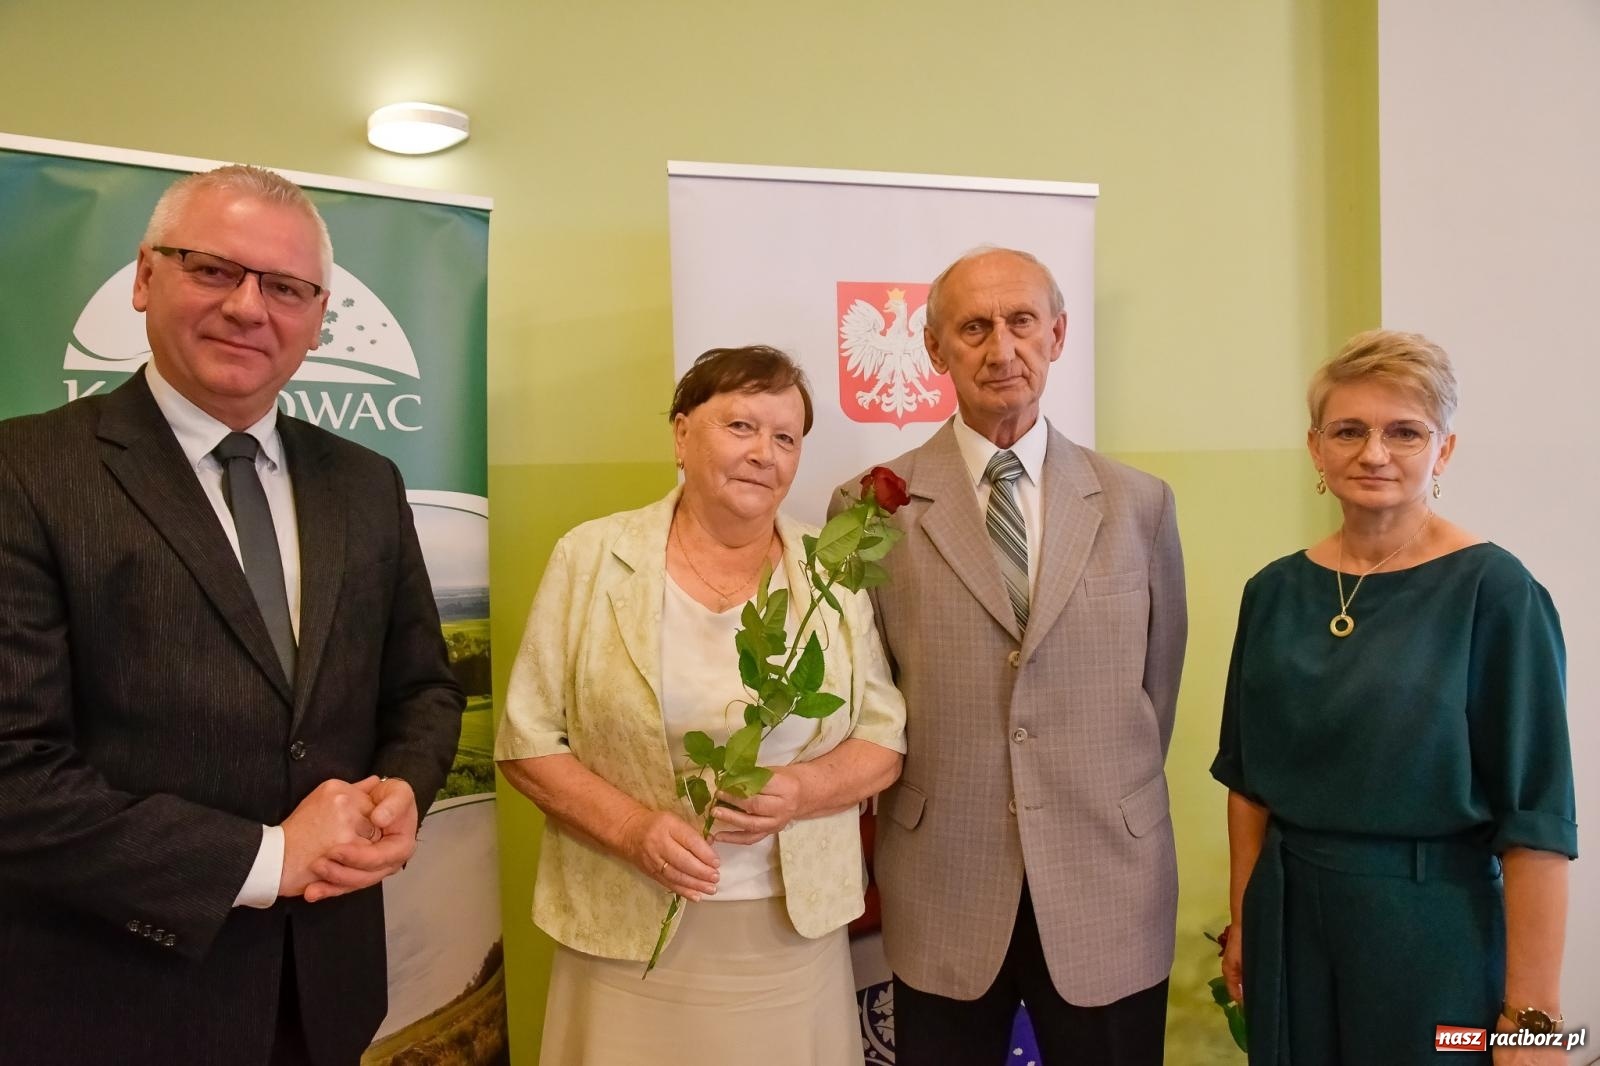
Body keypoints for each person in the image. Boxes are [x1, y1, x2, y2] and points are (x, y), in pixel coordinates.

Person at [0, 165, 465, 1066]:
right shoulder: (24, 473)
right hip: (109, 1003)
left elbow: (423, 689)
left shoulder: (366, 483)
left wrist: (404, 786)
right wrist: (265, 858)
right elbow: (12, 772)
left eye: (286, 287)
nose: (250, 308)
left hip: (324, 994)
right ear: (144, 278)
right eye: (213, 269)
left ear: (318, 316)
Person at [496, 345, 907, 1066]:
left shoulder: (832, 575)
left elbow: (884, 737)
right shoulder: (591, 557)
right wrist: (632, 830)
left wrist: (804, 790)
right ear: (682, 435)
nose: (764, 454)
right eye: (741, 427)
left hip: (788, 936)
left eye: (785, 438)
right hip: (626, 926)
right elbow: (527, 742)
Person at [833, 247, 1187, 1066]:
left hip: (1107, 878)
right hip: (944, 880)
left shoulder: (1139, 506)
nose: (1002, 348)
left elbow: (1155, 692)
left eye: (1022, 322)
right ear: (934, 350)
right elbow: (869, 694)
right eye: (975, 327)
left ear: (1058, 335)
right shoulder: (868, 507)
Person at [1213, 329, 1576, 1064]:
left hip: (1431, 929)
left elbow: (1536, 821)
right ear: (1316, 448)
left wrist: (1534, 1021)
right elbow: (1248, 784)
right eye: (1349, 430)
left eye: (1403, 432)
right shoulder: (1274, 592)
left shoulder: (1496, 593)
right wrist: (1245, 921)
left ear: (1442, 451)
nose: (1373, 452)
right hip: (1291, 920)